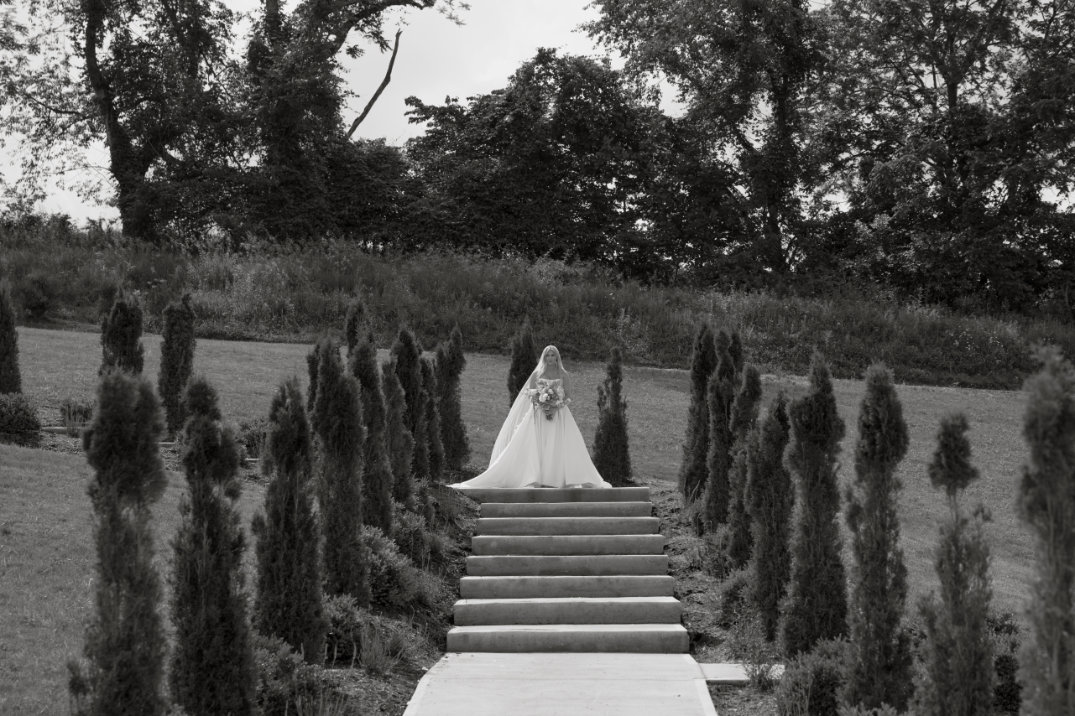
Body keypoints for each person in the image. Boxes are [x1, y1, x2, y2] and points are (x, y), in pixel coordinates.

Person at [452, 345, 611, 489]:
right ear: (544, 357)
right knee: (536, 444)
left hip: (559, 415)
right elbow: (530, 394)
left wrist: (556, 405)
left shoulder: (564, 374)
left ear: (557, 357)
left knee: (560, 444)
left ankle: (557, 478)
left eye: (553, 355)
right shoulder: (537, 374)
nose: (550, 358)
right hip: (538, 414)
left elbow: (568, 396)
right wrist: (542, 403)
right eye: (547, 355)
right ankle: (533, 477)